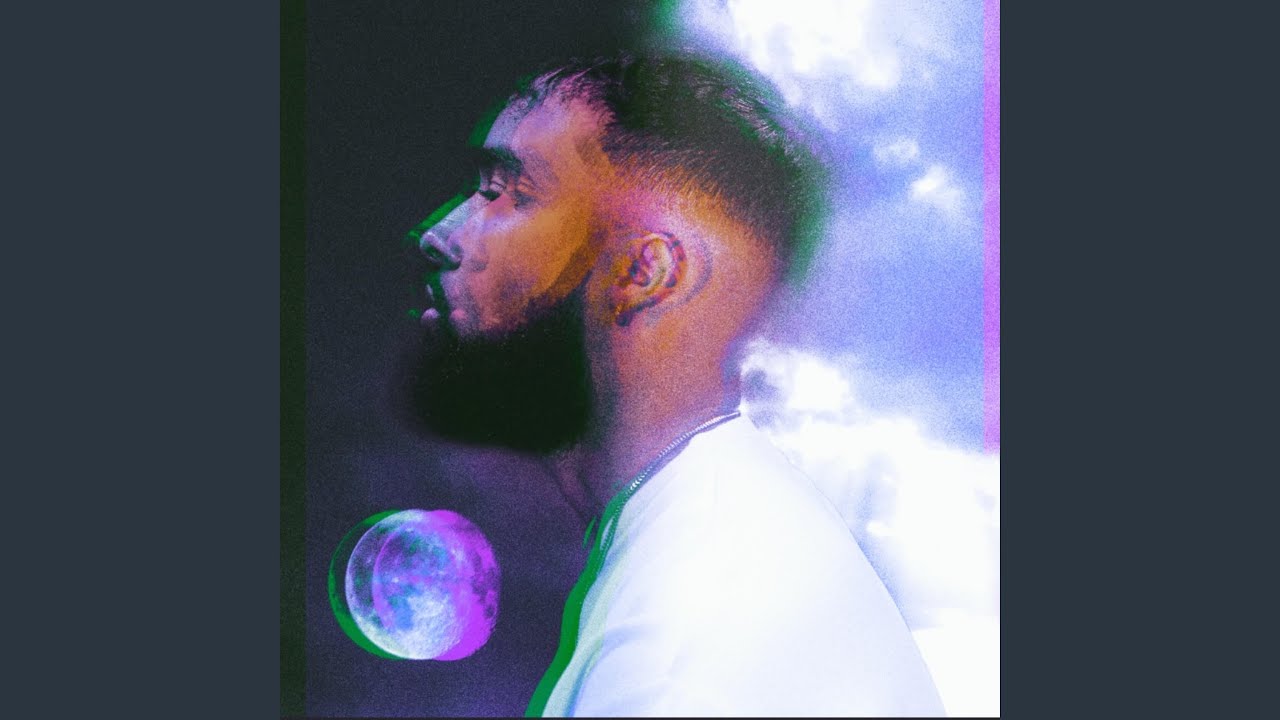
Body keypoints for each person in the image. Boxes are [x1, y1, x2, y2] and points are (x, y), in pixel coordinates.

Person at [400, 52, 945, 717]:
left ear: (641, 275)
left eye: (508, 192)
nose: (438, 235)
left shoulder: (675, 661)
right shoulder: (723, 536)